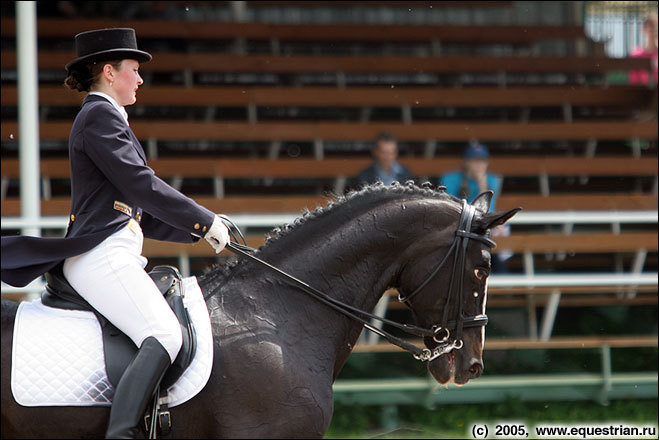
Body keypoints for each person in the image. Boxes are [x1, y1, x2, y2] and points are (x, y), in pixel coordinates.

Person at [0, 28, 230, 439]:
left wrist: (199, 234)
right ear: (109, 72)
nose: (140, 79)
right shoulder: (98, 116)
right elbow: (141, 183)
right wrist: (203, 219)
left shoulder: (107, 119)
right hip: (100, 255)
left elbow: (136, 210)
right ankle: (121, 434)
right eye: (134, 70)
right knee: (164, 333)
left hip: (115, 250)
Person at [439, 142, 511, 273]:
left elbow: (487, 211)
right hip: (458, 229)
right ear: (466, 163)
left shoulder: (492, 179)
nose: (479, 165)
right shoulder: (450, 178)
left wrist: (482, 185)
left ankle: (505, 284)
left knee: (498, 241)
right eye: (475, 161)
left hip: (482, 232)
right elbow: (454, 208)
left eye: (482, 161)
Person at [629, 13, 658, 86]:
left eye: (654, 26)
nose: (652, 29)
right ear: (644, 29)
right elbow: (634, 80)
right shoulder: (636, 54)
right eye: (650, 26)